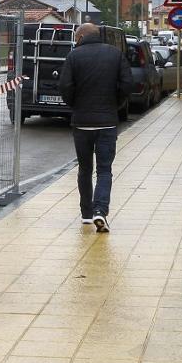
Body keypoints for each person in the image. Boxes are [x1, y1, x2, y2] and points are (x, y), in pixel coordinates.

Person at [59, 23, 133, 233]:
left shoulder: (73, 57)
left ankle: (86, 214)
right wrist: (115, 104)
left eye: (76, 37)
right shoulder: (115, 54)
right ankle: (100, 210)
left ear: (81, 37)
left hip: (81, 123)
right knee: (104, 170)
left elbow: (65, 86)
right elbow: (127, 83)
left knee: (84, 169)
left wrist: (75, 105)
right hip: (107, 122)